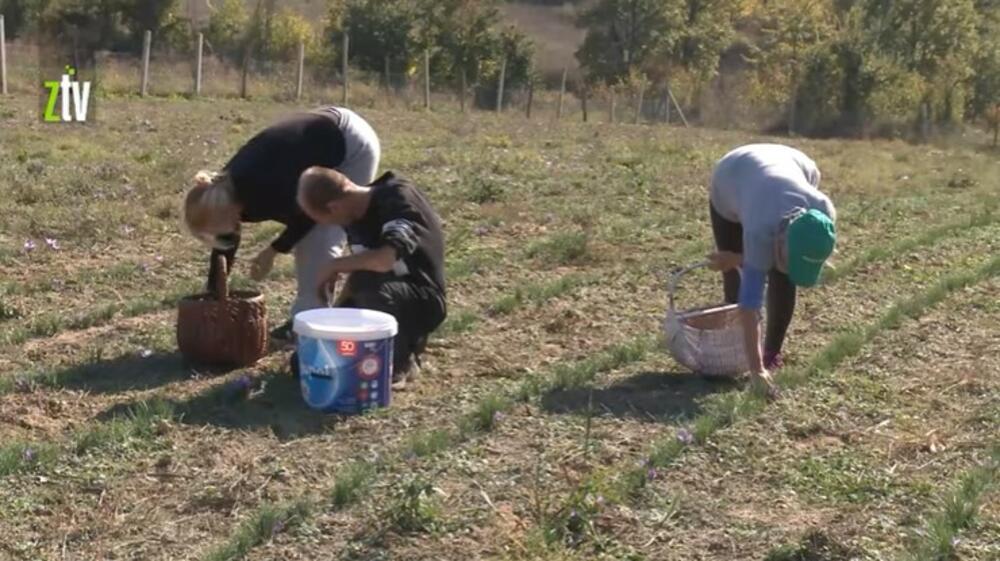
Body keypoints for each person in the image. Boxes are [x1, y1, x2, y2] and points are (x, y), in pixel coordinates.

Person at [182, 106, 381, 340]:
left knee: (318, 240)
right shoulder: (222, 192)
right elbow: (224, 244)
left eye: (219, 229)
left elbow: (311, 215)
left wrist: (274, 250)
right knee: (313, 237)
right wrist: (216, 294)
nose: (223, 235)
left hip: (349, 143)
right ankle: (309, 319)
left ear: (227, 213)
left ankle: (313, 324)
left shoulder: (266, 185)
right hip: (315, 134)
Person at [295, 166, 447, 389]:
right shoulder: (353, 217)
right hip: (378, 295)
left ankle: (401, 362)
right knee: (305, 363)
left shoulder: (397, 199)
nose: (332, 226)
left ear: (334, 206)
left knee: (369, 286)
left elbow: (384, 260)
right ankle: (370, 357)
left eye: (327, 220)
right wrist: (334, 316)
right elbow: (362, 268)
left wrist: (334, 266)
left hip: (421, 299)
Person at [706, 144, 837, 396]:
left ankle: (771, 354)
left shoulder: (823, 212)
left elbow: (787, 257)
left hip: (795, 164)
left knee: (783, 275)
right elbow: (750, 303)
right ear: (777, 240)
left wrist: (743, 258)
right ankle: (738, 356)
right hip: (732, 175)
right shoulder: (760, 228)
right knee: (736, 279)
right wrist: (756, 372)